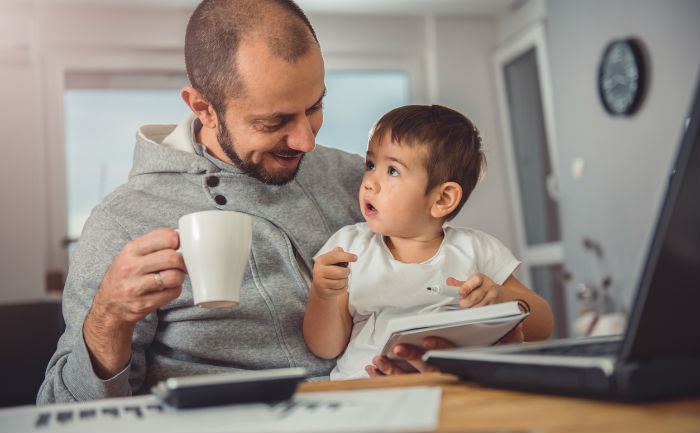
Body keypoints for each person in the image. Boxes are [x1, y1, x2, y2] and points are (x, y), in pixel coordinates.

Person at [37, 0, 367, 404]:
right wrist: (108, 319)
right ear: (203, 108)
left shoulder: (358, 181)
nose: (306, 141)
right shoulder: (122, 221)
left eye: (314, 106)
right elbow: (59, 409)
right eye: (273, 122)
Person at [303, 105, 554, 379]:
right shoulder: (348, 248)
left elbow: (544, 326)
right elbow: (325, 348)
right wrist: (322, 295)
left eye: (393, 171)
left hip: (454, 390)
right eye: (371, 165)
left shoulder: (476, 250)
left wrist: (501, 298)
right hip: (362, 392)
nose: (369, 183)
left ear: (442, 199)